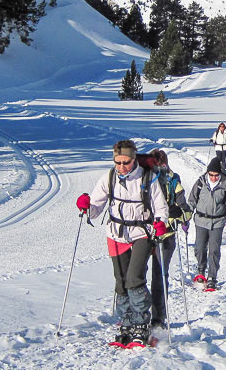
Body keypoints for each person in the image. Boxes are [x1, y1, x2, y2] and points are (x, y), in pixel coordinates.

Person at [76, 140, 169, 348]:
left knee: (134, 278)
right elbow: (96, 208)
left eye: (125, 162)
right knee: (121, 281)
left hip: (141, 233)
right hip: (116, 233)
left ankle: (141, 324)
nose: (121, 167)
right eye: (117, 162)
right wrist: (85, 207)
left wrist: (160, 223)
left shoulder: (147, 178)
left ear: (134, 159)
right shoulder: (109, 178)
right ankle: (126, 323)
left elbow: (161, 208)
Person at [146, 150, 192, 328]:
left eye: (161, 164)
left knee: (159, 275)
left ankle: (158, 317)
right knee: (137, 274)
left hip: (166, 234)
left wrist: (179, 213)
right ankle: (136, 314)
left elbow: (186, 210)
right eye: (155, 164)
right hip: (144, 232)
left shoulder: (173, 180)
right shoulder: (143, 179)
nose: (158, 168)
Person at [186, 157, 226, 291]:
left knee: (214, 250)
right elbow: (192, 200)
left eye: (216, 175)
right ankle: (201, 271)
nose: (213, 178)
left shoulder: (225, 185)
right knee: (199, 247)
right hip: (201, 220)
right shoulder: (201, 182)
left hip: (217, 221)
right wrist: (186, 216)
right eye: (211, 175)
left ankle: (212, 277)